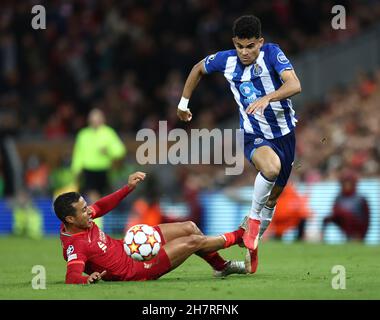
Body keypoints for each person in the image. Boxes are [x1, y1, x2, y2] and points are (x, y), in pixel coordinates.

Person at [177, 15, 302, 273]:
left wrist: (269, 97)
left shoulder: (272, 53)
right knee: (270, 168)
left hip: (285, 134)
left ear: (260, 42)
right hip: (253, 133)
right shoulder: (226, 60)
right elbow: (198, 68)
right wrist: (183, 103)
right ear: (234, 43)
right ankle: (253, 222)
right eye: (240, 46)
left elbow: (294, 84)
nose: (245, 52)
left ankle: (251, 245)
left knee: (273, 198)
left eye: (250, 46)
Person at [53, 171, 247, 284]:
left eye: (87, 207)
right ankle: (239, 236)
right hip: (137, 269)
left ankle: (221, 267)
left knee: (189, 227)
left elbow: (102, 206)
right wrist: (87, 279)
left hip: (130, 246)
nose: (89, 212)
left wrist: (127, 188)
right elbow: (72, 275)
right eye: (84, 210)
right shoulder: (76, 245)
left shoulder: (80, 219)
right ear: (70, 218)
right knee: (194, 242)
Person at [71, 108, 126, 196]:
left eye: (97, 119)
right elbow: (78, 154)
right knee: (92, 193)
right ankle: (96, 209)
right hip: (88, 170)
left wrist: (108, 151)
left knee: (105, 194)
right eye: (93, 119)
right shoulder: (83, 134)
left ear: (102, 119)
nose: (95, 121)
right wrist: (76, 170)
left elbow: (120, 151)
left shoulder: (109, 133)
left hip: (105, 169)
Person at [322, 170, 370, 241]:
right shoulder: (339, 197)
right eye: (345, 183)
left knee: (347, 216)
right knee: (327, 218)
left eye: (349, 183)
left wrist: (363, 234)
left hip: (357, 223)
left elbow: (366, 218)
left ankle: (351, 237)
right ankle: (322, 237)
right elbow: (334, 211)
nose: (347, 185)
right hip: (342, 220)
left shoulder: (360, 198)